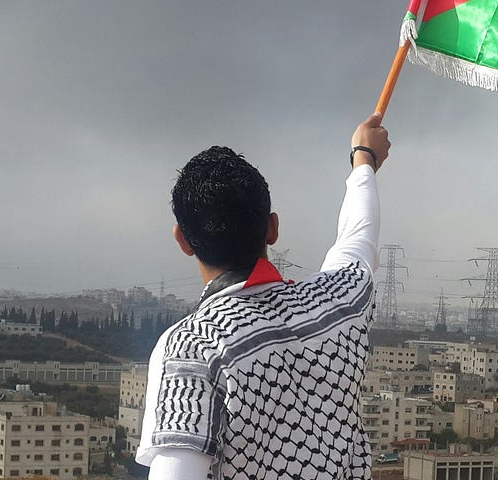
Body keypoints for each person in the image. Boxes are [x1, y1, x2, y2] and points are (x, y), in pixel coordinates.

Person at [136, 114, 391, 479]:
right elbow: (358, 237)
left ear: (183, 241)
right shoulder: (338, 306)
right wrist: (363, 158)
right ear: (273, 228)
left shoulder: (194, 346)